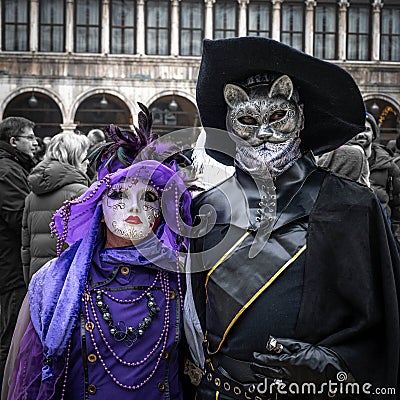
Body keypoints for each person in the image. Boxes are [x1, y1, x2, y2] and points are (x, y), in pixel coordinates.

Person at [184, 37, 400, 399]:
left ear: (300, 121)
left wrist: (334, 364)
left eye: (277, 117)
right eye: (249, 121)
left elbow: (384, 327)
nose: (264, 134)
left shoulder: (353, 207)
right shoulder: (206, 209)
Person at [6, 104, 193, 400]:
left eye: (148, 198)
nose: (133, 207)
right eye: (119, 195)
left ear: (161, 212)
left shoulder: (182, 282)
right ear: (100, 209)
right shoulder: (54, 284)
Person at [21, 132, 90, 284]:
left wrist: (30, 282)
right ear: (74, 157)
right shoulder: (80, 193)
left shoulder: (32, 196)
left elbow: (26, 247)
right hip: (68, 281)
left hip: (38, 279)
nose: (88, 162)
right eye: (85, 156)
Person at [0, 117, 37, 386]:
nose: (35, 142)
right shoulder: (7, 171)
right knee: (10, 334)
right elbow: (18, 218)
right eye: (30, 137)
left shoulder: (15, 167)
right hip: (10, 263)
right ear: (14, 141)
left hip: (12, 261)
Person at [354, 112, 400, 242]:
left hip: (383, 238)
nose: (362, 133)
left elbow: (398, 207)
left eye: (367, 130)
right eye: (358, 129)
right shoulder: (342, 162)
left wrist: (395, 239)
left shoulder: (389, 166)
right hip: (353, 239)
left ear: (374, 134)